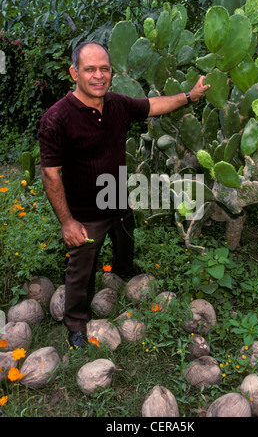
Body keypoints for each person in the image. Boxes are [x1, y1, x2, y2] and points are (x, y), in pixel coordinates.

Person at [39, 41, 210, 348]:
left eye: (104, 68)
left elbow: (153, 105)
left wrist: (190, 96)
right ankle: (76, 323)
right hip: (84, 213)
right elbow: (50, 173)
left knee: (125, 236)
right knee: (81, 269)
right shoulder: (57, 118)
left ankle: (123, 273)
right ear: (74, 73)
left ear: (112, 72)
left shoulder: (117, 104)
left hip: (116, 195)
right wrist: (67, 222)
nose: (98, 75)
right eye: (89, 69)